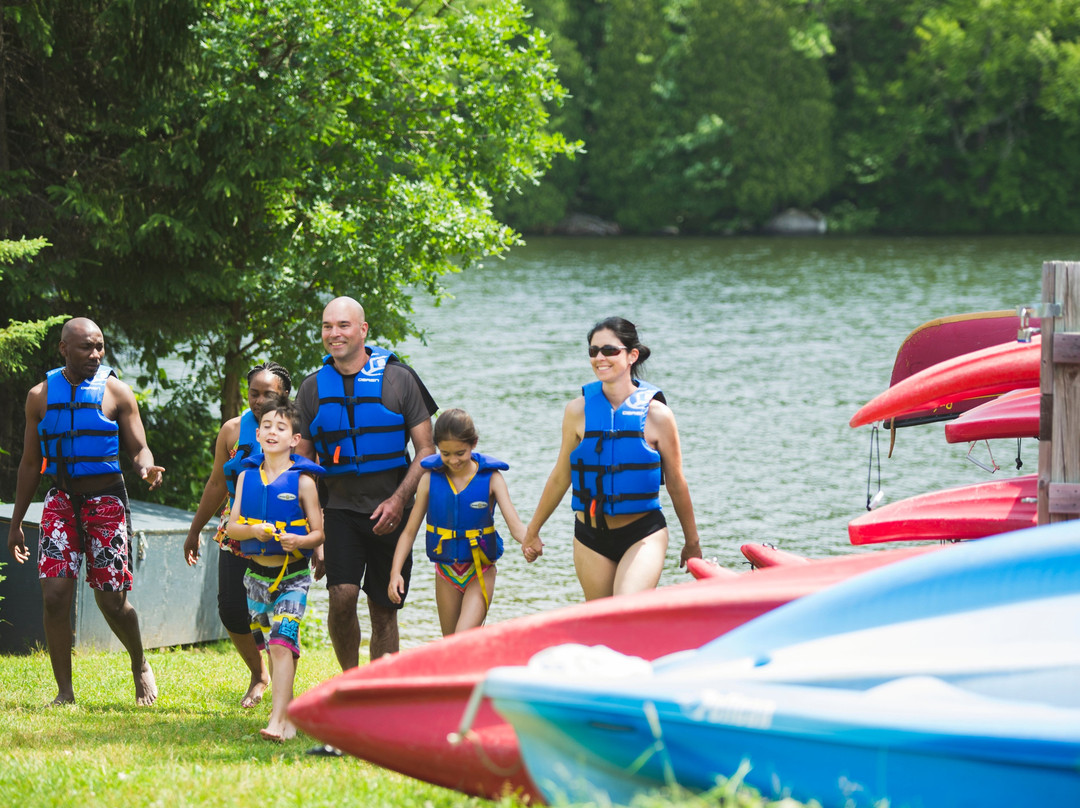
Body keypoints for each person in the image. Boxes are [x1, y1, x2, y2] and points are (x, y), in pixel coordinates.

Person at [6, 317, 165, 706]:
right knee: (55, 596)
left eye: (100, 346)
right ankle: (65, 692)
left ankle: (140, 663)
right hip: (60, 501)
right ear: (63, 349)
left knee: (112, 601)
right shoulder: (39, 396)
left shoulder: (117, 392)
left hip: (106, 501)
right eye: (85, 348)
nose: (95, 354)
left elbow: (139, 448)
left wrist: (146, 465)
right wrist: (15, 524)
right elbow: (30, 464)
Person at [295, 296, 437, 669]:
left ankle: (380, 687)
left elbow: (426, 451)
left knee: (383, 609)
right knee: (341, 599)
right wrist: (315, 529)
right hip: (339, 511)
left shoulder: (399, 379)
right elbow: (302, 464)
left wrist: (398, 500)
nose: (334, 333)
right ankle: (350, 681)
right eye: (327, 326)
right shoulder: (312, 388)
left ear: (363, 330)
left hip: (393, 510)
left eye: (343, 325)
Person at [525, 317, 702, 600]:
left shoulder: (658, 416)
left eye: (609, 350)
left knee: (626, 610)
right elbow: (561, 475)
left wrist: (692, 542)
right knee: (601, 624)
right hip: (590, 535)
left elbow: (677, 484)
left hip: (642, 533)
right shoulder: (576, 411)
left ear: (632, 355)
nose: (599, 358)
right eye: (593, 351)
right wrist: (533, 530)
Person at [183, 361, 292, 708]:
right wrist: (194, 529)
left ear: (284, 395)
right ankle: (258, 673)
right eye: (254, 393)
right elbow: (217, 483)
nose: (259, 400)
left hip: (283, 532)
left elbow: (310, 484)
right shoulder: (232, 430)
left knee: (281, 612)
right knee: (231, 609)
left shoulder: (297, 432)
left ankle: (282, 689)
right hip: (237, 529)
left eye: (269, 394)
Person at [388, 408, 541, 635]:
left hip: (479, 570)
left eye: (460, 453)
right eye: (445, 453)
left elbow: (515, 525)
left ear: (474, 444)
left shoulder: (492, 479)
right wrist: (395, 573)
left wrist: (529, 541)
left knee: (462, 637)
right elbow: (409, 532)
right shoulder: (429, 480)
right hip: (446, 571)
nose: (453, 460)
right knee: (451, 645)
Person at [226, 401, 324, 741]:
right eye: (267, 426)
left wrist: (300, 538)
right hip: (256, 578)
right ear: (257, 433)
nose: (272, 432)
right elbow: (232, 528)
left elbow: (318, 533)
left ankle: (277, 719)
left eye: (281, 428)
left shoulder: (305, 483)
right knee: (271, 645)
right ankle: (290, 712)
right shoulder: (245, 477)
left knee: (283, 642)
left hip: (293, 575)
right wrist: (253, 532)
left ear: (295, 439)